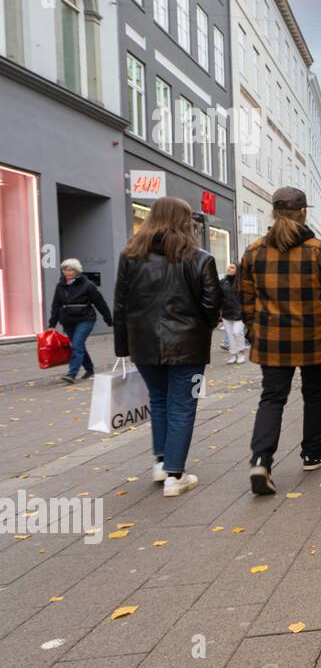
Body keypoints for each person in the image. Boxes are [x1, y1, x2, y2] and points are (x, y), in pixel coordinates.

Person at [241, 187, 321, 496]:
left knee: (271, 398)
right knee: (314, 394)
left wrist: (255, 332)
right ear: (304, 212)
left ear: (273, 213)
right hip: (312, 338)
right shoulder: (320, 251)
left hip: (272, 341)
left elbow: (246, 301)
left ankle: (261, 462)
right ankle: (312, 453)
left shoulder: (254, 251)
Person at [113, 197, 222, 497]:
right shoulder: (200, 259)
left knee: (158, 401)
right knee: (184, 405)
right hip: (189, 347)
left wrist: (123, 347)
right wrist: (202, 328)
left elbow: (120, 305)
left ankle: (161, 463)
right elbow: (212, 306)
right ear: (185, 221)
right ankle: (176, 475)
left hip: (144, 346)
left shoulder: (130, 257)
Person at [48, 258, 113, 384]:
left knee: (77, 344)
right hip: (68, 320)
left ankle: (71, 374)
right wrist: (52, 323)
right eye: (65, 269)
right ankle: (89, 369)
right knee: (78, 345)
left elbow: (100, 302)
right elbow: (55, 305)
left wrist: (108, 318)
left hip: (85, 318)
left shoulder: (88, 285)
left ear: (77, 271)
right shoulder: (60, 286)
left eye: (71, 269)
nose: (68, 272)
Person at [218, 263, 247, 364]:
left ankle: (241, 353)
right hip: (226, 313)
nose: (229, 269)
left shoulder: (242, 282)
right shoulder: (223, 282)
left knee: (237, 332)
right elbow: (219, 296)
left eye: (232, 267)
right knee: (230, 335)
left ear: (237, 270)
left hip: (239, 313)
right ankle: (233, 355)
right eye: (229, 267)